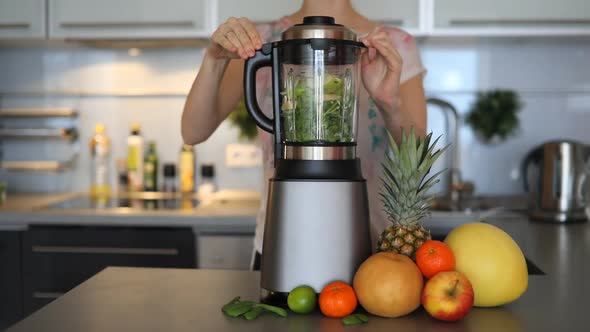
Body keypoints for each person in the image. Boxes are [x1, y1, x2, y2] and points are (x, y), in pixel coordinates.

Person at [181, 0, 427, 270]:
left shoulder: (391, 44)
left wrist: (389, 104)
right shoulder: (256, 41)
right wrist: (214, 59)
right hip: (281, 238)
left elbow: (416, 153)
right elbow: (193, 132)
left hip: (372, 247)